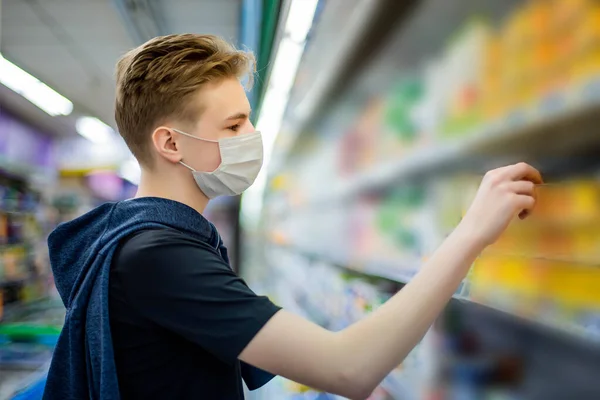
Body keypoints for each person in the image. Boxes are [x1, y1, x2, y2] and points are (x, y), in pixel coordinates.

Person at [42, 34, 542, 400]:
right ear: (171, 143)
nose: (250, 135)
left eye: (248, 118)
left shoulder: (154, 241)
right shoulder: (158, 256)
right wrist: (471, 233)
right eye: (234, 124)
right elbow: (350, 369)